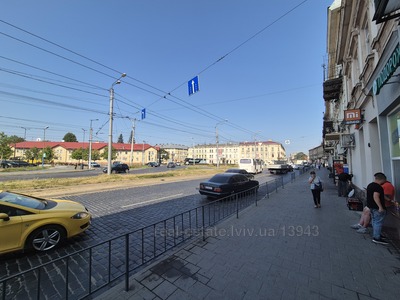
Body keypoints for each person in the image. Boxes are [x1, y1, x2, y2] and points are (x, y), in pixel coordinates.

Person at [366, 172, 388, 245]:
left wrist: (388, 199)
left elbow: (378, 195)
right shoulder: (378, 187)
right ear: (382, 179)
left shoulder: (370, 185)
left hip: (371, 206)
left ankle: (376, 234)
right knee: (378, 222)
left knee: (375, 221)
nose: (384, 182)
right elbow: (376, 196)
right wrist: (380, 207)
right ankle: (376, 238)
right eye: (384, 181)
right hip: (376, 208)